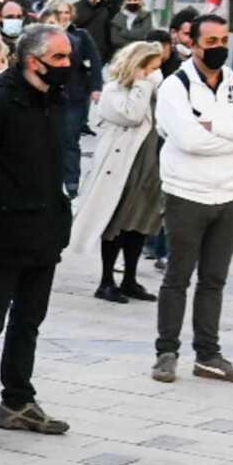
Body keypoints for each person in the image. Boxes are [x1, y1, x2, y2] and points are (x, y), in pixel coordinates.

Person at [0, 24, 75, 445]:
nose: (66, 65)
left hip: (45, 228)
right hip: (3, 228)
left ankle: (18, 400)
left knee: (29, 321)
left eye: (67, 57)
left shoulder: (54, 101)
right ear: (32, 60)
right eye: (58, 58)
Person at [151, 14, 233, 384]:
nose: (219, 47)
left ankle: (208, 354)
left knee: (214, 279)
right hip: (187, 194)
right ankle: (166, 351)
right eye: (211, 41)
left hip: (231, 194)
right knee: (177, 277)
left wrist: (215, 127)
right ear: (195, 44)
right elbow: (189, 140)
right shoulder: (176, 87)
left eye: (224, 40)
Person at [69, 41, 167, 303]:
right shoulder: (114, 90)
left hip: (151, 164)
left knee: (140, 224)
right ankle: (106, 280)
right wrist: (142, 85)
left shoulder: (157, 91)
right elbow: (132, 116)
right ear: (138, 67)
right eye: (152, 68)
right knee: (116, 222)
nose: (157, 73)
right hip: (123, 167)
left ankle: (130, 278)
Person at [44, 0, 99, 199]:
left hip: (73, 96)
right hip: (49, 96)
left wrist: (96, 87)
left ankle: (72, 182)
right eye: (60, 13)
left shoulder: (80, 36)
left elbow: (94, 60)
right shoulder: (42, 35)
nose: (64, 17)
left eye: (67, 13)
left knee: (70, 139)